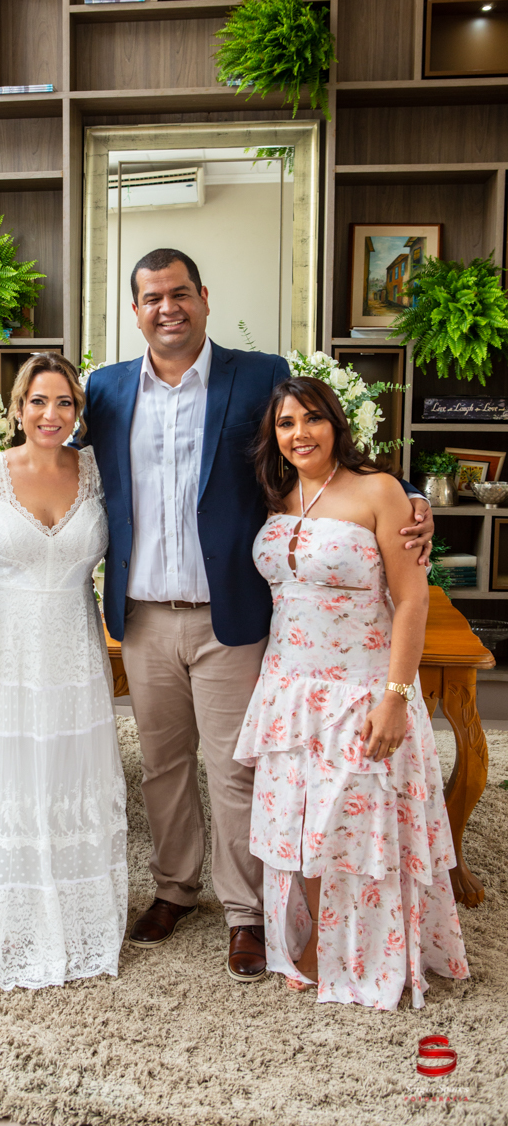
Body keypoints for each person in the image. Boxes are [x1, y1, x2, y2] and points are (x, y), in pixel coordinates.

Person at [81, 248, 436, 982]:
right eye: (153, 298)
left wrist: (407, 495)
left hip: (233, 612)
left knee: (237, 768)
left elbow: (318, 442)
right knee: (161, 764)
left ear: (204, 297)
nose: (168, 308)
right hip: (143, 613)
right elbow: (59, 456)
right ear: (135, 310)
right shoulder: (106, 388)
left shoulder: (257, 372)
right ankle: (174, 888)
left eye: (181, 293)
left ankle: (244, 911)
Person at [233, 376, 468, 1008]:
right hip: (288, 690)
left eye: (312, 419)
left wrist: (396, 696)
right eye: (286, 423)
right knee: (301, 824)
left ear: (336, 423)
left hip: (360, 691)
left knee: (356, 824)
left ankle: (363, 951)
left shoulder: (380, 491)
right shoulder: (275, 492)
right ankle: (315, 938)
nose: (299, 434)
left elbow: (412, 600)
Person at [0, 352, 127, 992]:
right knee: (7, 770)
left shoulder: (97, 470)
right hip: (5, 644)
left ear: (78, 412)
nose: (51, 414)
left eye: (64, 402)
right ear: (17, 409)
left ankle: (75, 912)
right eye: (38, 401)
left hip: (73, 638)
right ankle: (3, 910)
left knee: (70, 768)